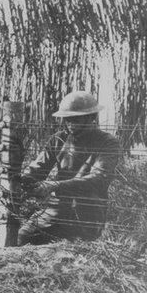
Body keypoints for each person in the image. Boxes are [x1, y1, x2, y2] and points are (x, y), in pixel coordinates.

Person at [17, 91, 120, 246]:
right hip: (56, 208)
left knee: (78, 249)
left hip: (89, 212)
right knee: (23, 238)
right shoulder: (59, 139)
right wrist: (19, 180)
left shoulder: (107, 143)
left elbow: (99, 179)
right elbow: (38, 168)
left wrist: (54, 185)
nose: (69, 124)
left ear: (91, 117)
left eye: (75, 119)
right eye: (67, 119)